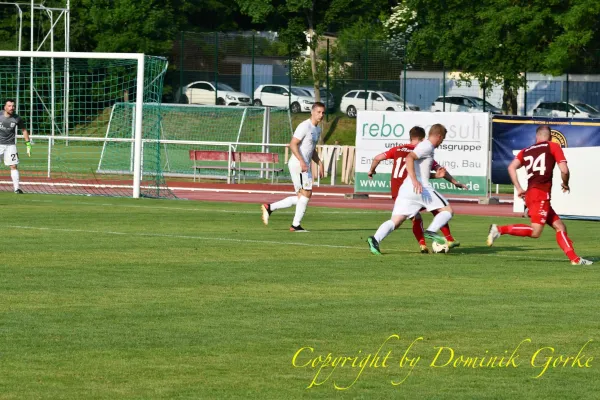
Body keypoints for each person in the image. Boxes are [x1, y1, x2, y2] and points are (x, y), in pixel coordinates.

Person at [486, 125, 592, 265]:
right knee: (536, 232)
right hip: (540, 194)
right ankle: (499, 229)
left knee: (560, 226)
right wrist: (565, 184)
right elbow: (564, 170)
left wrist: (518, 188)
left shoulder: (526, 150)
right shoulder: (553, 146)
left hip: (531, 193)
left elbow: (511, 167)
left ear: (536, 137)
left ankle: (575, 259)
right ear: (550, 137)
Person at [368, 126, 466, 253]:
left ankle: (375, 239)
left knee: (396, 221)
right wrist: (415, 180)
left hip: (404, 190)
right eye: (442, 140)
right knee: (447, 211)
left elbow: (419, 169)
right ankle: (432, 232)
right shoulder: (427, 146)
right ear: (439, 137)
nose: (441, 143)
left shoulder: (406, 148)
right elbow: (409, 158)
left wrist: (439, 177)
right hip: (420, 187)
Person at [261, 102, 326, 232]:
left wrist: (319, 163)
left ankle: (270, 207)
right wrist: (302, 161)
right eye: (318, 112)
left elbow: (311, 149)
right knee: (307, 193)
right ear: (312, 112)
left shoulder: (317, 129)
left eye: (323, 112)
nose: (321, 115)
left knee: (301, 197)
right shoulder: (304, 126)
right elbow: (293, 144)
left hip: (303, 164)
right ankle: (295, 225)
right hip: (298, 164)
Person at [0, 99, 31, 194]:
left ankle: (17, 189)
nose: (11, 108)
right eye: (9, 106)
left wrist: (28, 144)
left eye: (13, 106)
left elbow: (24, 130)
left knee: (13, 166)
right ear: (5, 107)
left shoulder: (17, 118)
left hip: (10, 145)